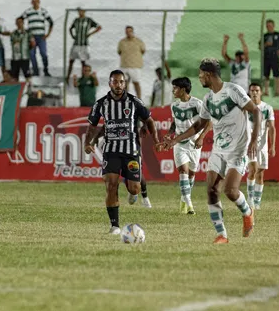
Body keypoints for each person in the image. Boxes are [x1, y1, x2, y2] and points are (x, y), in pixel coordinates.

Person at [163, 58, 260, 244]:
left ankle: (248, 213)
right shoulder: (208, 98)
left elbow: (255, 111)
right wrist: (175, 139)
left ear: (208, 75)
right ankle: (222, 234)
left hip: (237, 150)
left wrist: (254, 140)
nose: (199, 79)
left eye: (200, 76)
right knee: (212, 190)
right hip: (218, 149)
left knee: (231, 191)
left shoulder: (233, 90)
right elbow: (199, 123)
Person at [84, 70, 160, 234]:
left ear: (125, 84)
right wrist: (87, 143)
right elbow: (91, 126)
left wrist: (156, 141)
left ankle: (132, 188)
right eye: (115, 82)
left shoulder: (134, 102)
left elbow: (149, 120)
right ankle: (114, 225)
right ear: (110, 83)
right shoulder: (101, 103)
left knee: (135, 189)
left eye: (121, 82)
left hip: (131, 151)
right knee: (111, 185)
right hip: (111, 151)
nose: (118, 85)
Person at [164, 77, 212, 215]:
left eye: (175, 88)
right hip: (179, 144)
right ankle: (190, 205)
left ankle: (184, 199)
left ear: (183, 89)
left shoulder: (197, 104)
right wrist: (169, 133)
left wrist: (202, 137)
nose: (173, 90)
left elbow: (209, 122)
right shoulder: (174, 105)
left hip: (194, 143)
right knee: (183, 172)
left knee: (191, 174)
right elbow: (174, 122)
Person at [90, 123, 152, 208]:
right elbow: (107, 124)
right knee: (113, 177)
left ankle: (144, 198)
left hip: (132, 150)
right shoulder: (114, 112)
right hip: (115, 149)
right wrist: (96, 137)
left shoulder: (135, 111)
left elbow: (146, 120)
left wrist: (145, 127)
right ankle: (124, 191)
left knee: (138, 173)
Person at [246, 84, 276, 210]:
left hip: (262, 145)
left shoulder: (267, 108)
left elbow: (272, 128)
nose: (254, 93)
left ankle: (257, 201)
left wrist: (272, 145)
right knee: (253, 170)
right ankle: (250, 198)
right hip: (249, 143)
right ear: (249, 92)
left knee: (260, 174)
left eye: (257, 90)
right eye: (252, 90)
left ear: (261, 92)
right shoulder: (245, 107)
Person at [66, 7, 102, 82]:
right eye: (79, 11)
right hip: (76, 43)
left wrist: (90, 34)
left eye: (81, 11)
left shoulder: (88, 20)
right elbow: (70, 28)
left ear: (84, 11)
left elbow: (99, 27)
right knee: (71, 60)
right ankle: (67, 77)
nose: (80, 12)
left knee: (83, 61)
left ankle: (83, 78)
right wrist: (72, 36)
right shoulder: (76, 20)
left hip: (84, 44)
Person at [21, 0, 54, 77]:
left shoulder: (43, 11)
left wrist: (48, 34)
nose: (35, 3)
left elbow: (51, 22)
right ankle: (36, 71)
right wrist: (24, 31)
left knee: (43, 53)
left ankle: (46, 70)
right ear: (31, 3)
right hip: (31, 36)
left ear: (39, 2)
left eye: (36, 1)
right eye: (33, 1)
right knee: (32, 54)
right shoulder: (28, 11)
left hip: (41, 36)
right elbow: (20, 19)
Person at [259, 19, 279, 96]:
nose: (268, 27)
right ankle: (266, 91)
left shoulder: (278, 34)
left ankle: (277, 91)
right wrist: (266, 44)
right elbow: (260, 47)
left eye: (270, 26)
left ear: (273, 26)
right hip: (266, 57)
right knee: (266, 75)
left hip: (274, 57)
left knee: (276, 74)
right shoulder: (265, 36)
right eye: (267, 26)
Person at [117, 26, 146, 99]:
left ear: (132, 32)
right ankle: (125, 98)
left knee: (136, 82)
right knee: (125, 83)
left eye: (130, 31)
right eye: (127, 31)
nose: (128, 33)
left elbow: (143, 51)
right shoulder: (122, 42)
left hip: (135, 65)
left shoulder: (139, 41)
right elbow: (119, 52)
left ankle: (139, 98)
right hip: (125, 65)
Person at [8, 17, 35, 81]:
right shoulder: (13, 33)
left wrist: (28, 49)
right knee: (14, 76)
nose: (19, 24)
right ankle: (15, 89)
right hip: (15, 58)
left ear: (23, 23)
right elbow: (12, 42)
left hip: (24, 57)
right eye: (17, 22)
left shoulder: (28, 32)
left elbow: (33, 43)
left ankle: (29, 88)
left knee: (27, 75)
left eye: (20, 22)